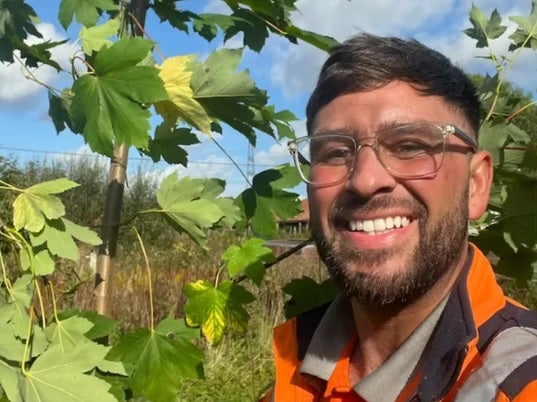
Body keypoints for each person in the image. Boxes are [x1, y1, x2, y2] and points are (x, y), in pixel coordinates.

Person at [261, 33, 537, 402]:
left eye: (410, 146)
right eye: (335, 152)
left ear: (475, 185)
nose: (365, 179)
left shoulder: (521, 382)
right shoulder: (295, 362)